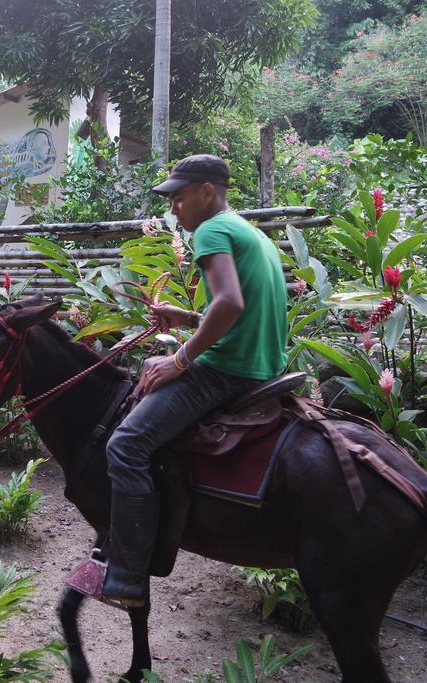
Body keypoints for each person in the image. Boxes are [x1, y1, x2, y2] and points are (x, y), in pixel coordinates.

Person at [101, 154, 288, 607]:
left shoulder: (210, 231)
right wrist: (189, 317)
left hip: (228, 372)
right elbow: (238, 308)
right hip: (264, 365)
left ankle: (125, 577)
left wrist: (180, 359)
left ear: (207, 192)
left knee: (125, 445)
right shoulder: (249, 232)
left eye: (180, 197)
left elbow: (230, 303)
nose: (174, 209)